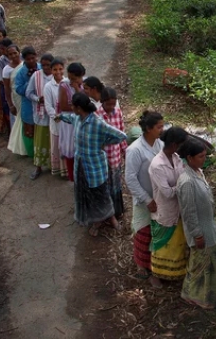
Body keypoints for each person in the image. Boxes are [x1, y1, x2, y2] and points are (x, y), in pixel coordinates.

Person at [59, 93, 126, 235]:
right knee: (86, 193)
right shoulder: (77, 118)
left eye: (73, 106)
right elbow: (69, 118)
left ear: (78, 108)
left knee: (100, 194)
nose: (71, 108)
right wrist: (59, 116)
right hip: (81, 165)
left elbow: (121, 136)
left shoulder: (98, 123)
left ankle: (102, 221)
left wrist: (102, 142)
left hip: (96, 167)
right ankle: (98, 219)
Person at [176, 140, 216, 309]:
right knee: (199, 265)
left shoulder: (198, 172)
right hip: (200, 230)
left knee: (207, 263)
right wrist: (197, 234)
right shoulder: (187, 181)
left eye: (204, 155)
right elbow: (188, 211)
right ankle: (191, 293)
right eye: (200, 156)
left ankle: (207, 293)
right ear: (190, 158)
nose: (204, 159)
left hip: (208, 226)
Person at [125, 111, 164, 288]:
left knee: (157, 234)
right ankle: (143, 267)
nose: (162, 130)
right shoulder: (135, 150)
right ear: (148, 129)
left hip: (160, 197)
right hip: (145, 199)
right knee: (144, 233)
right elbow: (130, 179)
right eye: (159, 127)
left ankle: (156, 266)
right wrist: (147, 200)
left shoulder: (159, 144)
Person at [148, 127, 189, 282]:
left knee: (176, 243)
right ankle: (156, 275)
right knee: (162, 245)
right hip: (165, 209)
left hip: (178, 209)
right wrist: (185, 185)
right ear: (173, 144)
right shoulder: (157, 165)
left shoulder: (177, 158)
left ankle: (174, 273)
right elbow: (168, 192)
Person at [96, 87, 127, 219]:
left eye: (113, 104)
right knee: (105, 186)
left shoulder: (117, 112)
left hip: (115, 157)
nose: (111, 107)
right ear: (102, 101)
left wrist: (125, 151)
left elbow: (121, 132)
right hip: (103, 158)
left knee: (116, 184)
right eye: (108, 104)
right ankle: (107, 215)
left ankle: (117, 211)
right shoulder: (97, 115)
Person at [25, 54, 54, 179]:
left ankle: (54, 165)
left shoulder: (57, 76)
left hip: (53, 115)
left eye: (48, 65)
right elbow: (28, 93)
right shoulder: (36, 76)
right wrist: (37, 99)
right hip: (41, 114)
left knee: (53, 141)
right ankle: (38, 167)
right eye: (43, 65)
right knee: (41, 140)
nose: (46, 67)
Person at [43, 58, 69, 178]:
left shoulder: (68, 83)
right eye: (55, 69)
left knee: (67, 144)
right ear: (51, 70)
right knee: (57, 146)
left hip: (68, 121)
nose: (58, 72)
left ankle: (68, 169)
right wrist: (56, 116)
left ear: (63, 69)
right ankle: (60, 170)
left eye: (60, 69)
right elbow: (48, 105)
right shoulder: (48, 86)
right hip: (57, 122)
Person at [62, 63, 87, 179]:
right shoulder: (64, 86)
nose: (71, 80)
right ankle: (73, 176)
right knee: (71, 148)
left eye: (75, 78)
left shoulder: (85, 85)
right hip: (70, 122)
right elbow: (63, 106)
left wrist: (78, 90)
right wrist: (77, 108)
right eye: (70, 77)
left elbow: (87, 103)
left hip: (83, 120)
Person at [15, 47, 40, 157]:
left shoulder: (41, 68)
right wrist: (29, 81)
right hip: (28, 105)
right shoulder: (21, 73)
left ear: (36, 56)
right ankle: (33, 155)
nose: (31, 61)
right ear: (24, 59)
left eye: (32, 58)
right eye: (28, 59)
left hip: (41, 103)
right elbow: (19, 90)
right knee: (30, 131)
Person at [4, 45, 27, 156]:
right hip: (16, 97)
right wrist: (10, 105)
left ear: (19, 53)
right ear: (7, 56)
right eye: (10, 54)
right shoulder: (7, 70)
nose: (13, 56)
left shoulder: (25, 65)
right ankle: (20, 146)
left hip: (26, 95)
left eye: (15, 53)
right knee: (20, 119)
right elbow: (7, 89)